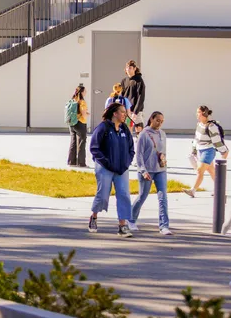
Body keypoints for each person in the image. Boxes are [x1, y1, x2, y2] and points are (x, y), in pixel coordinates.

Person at [88, 101, 135, 237]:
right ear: (114, 113)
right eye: (122, 112)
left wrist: (127, 162)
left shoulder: (125, 129)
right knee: (103, 195)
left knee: (124, 195)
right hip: (105, 168)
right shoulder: (103, 128)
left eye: (125, 113)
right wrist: (105, 162)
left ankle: (122, 225)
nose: (124, 115)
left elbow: (131, 149)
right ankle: (94, 216)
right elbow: (94, 148)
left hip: (122, 169)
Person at [129, 111, 171, 235]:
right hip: (147, 171)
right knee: (142, 196)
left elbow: (162, 152)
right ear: (151, 119)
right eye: (157, 120)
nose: (159, 123)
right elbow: (139, 155)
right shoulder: (144, 134)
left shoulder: (163, 134)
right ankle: (131, 220)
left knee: (163, 198)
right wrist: (143, 171)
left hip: (160, 170)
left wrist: (163, 161)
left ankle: (164, 226)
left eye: (162, 121)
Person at [183, 105, 230, 198]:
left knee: (200, 171)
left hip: (209, 151)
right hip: (200, 150)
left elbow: (217, 141)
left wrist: (224, 151)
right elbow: (196, 138)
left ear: (203, 114)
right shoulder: (199, 124)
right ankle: (220, 190)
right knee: (212, 171)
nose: (196, 114)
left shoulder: (211, 126)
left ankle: (193, 190)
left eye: (198, 112)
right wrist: (194, 150)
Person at [120, 61, 145, 134]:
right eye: (127, 68)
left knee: (139, 129)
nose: (128, 70)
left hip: (136, 110)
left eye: (130, 68)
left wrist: (135, 112)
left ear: (134, 69)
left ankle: (140, 143)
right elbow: (121, 96)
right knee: (128, 129)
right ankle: (129, 144)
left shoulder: (139, 80)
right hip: (127, 110)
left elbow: (141, 97)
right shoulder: (124, 81)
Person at [67, 84, 89, 168]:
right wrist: (86, 114)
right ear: (82, 92)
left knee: (73, 142)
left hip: (72, 123)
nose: (86, 92)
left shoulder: (73, 100)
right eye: (85, 91)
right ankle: (81, 163)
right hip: (80, 123)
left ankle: (71, 161)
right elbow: (83, 114)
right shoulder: (82, 102)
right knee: (81, 142)